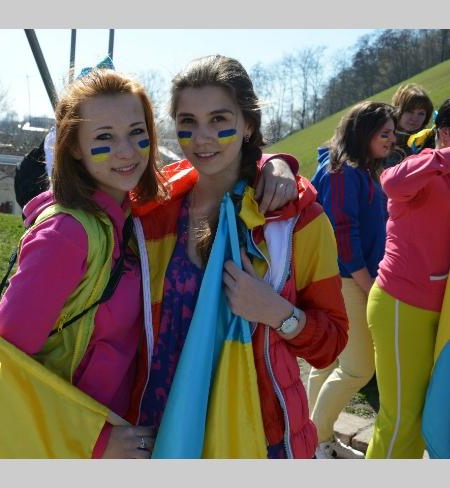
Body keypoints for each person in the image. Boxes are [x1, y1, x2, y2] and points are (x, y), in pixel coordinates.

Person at [134, 55, 349, 459]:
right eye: (188, 121)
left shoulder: (297, 222)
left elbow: (330, 344)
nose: (202, 138)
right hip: (163, 426)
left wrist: (278, 314)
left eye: (219, 119)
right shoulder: (153, 214)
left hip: (261, 437)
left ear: (248, 124)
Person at [0, 69, 164, 458]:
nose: (127, 151)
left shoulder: (126, 218)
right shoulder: (65, 235)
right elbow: (2, 363)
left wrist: (274, 164)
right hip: (65, 450)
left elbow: (213, 170)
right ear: (73, 147)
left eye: (137, 132)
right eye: (104, 137)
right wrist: (95, 443)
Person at [307, 101, 397, 459]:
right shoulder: (342, 172)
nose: (392, 140)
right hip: (348, 281)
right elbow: (344, 238)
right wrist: (370, 286)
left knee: (328, 363)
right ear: (364, 133)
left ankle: (311, 438)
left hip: (344, 279)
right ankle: (317, 441)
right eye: (384, 134)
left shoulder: (358, 170)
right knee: (359, 368)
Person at [365, 98, 450, 459]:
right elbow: (392, 182)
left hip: (439, 313)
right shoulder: (421, 165)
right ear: (444, 133)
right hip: (401, 305)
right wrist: (443, 157)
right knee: (401, 420)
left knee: (425, 420)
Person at [385, 83, 434, 167]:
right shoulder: (384, 144)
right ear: (397, 111)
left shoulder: (432, 140)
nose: (415, 118)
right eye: (409, 111)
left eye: (421, 113)